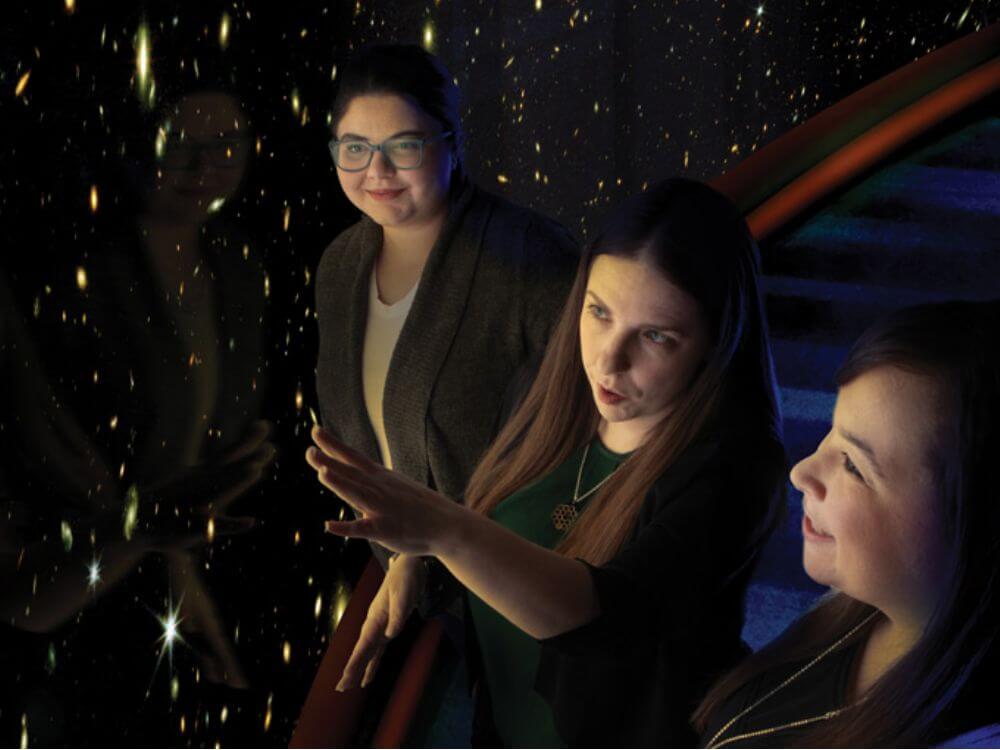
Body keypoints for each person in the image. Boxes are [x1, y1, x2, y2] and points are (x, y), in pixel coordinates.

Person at [307, 178, 787, 746]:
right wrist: (421, 559)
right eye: (599, 312)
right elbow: (493, 519)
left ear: (717, 339)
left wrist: (443, 532)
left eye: (655, 336)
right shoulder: (553, 391)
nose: (609, 358)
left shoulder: (737, 466)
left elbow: (606, 619)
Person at [695, 300, 1000, 748]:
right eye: (830, 433)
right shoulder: (861, 611)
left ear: (975, 522)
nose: (801, 472)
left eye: (854, 466)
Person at [315, 44, 578, 552]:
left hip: (518, 565)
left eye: (405, 145)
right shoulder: (339, 265)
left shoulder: (531, 254)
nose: (377, 171)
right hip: (394, 574)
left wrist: (440, 542)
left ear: (453, 145)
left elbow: (577, 431)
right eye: (354, 147)